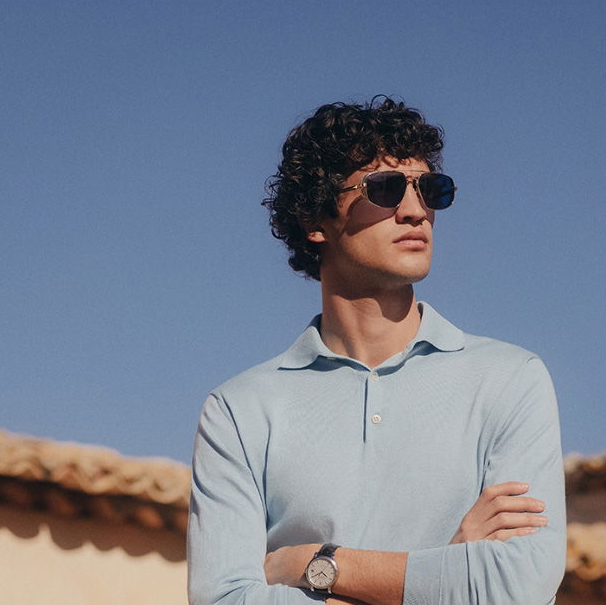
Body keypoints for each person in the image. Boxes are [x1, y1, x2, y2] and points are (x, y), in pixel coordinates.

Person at [189, 97, 566, 605]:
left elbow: (516, 585)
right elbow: (223, 601)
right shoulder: (239, 410)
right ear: (314, 220)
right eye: (384, 189)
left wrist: (316, 564)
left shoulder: (510, 379)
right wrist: (446, 572)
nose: (415, 210)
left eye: (431, 189)